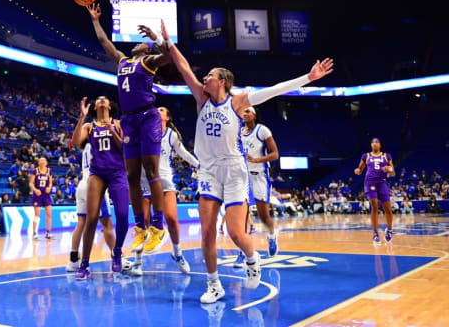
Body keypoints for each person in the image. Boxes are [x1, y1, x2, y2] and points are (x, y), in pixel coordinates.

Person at [151, 20, 333, 303]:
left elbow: (274, 90)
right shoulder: (201, 97)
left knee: (236, 232)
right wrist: (169, 43)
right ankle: (214, 285)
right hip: (209, 171)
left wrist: (307, 78)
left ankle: (252, 257)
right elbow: (184, 67)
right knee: (208, 232)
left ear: (222, 81)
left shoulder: (238, 103)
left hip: (235, 171)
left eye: (210, 75)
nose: (205, 78)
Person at [87, 3, 172, 253]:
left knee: (150, 168)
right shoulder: (123, 61)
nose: (135, 43)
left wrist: (156, 38)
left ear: (146, 49)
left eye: (140, 42)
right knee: (132, 175)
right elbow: (105, 42)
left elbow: (168, 55)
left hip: (147, 117)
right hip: (128, 120)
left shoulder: (149, 61)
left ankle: (158, 225)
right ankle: (141, 228)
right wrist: (94, 20)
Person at [128, 106, 199, 276]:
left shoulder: (171, 135)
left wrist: (199, 165)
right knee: (143, 222)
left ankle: (177, 252)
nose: (157, 111)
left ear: (167, 117)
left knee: (172, 219)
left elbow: (184, 154)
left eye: (161, 110)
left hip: (165, 183)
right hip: (145, 183)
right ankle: (138, 262)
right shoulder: (143, 132)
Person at [72, 96, 129, 278]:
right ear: (95, 106)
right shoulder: (89, 126)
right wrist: (82, 117)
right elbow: (75, 142)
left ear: (110, 105)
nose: (103, 100)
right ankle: (84, 265)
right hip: (97, 174)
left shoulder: (119, 124)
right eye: (99, 99)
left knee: (122, 215)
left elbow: (126, 149)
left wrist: (112, 130)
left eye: (105, 99)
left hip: (118, 172)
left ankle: (117, 252)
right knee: (91, 218)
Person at [235, 106, 280, 267]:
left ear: (254, 115)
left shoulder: (262, 130)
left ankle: (272, 235)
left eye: (247, 111)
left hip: (259, 175)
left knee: (264, 217)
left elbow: (275, 154)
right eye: (243, 112)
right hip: (242, 177)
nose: (244, 114)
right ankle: (243, 254)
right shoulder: (238, 132)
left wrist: (256, 160)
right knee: (242, 216)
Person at [66, 141, 115, 273]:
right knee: (107, 225)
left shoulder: (87, 146)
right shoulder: (100, 145)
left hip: (82, 185)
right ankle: (117, 259)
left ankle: (73, 260)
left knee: (80, 223)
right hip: (95, 185)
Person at [354, 138, 395, 244]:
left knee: (388, 208)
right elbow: (360, 169)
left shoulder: (386, 155)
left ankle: (389, 229)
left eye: (376, 142)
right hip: (370, 182)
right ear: (371, 145)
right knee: (374, 205)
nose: (374, 144)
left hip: (382, 182)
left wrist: (389, 169)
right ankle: (375, 233)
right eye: (372, 142)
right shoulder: (366, 156)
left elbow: (393, 172)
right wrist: (357, 171)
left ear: (380, 145)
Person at [30, 157, 53, 240]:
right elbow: (30, 183)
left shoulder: (49, 171)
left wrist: (49, 188)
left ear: (46, 163)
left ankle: (48, 232)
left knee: (49, 214)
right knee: (37, 214)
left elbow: (50, 183)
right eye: (41, 160)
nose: (43, 162)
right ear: (39, 162)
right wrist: (35, 190)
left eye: (44, 160)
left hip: (46, 194)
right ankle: (34, 233)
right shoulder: (35, 171)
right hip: (38, 194)